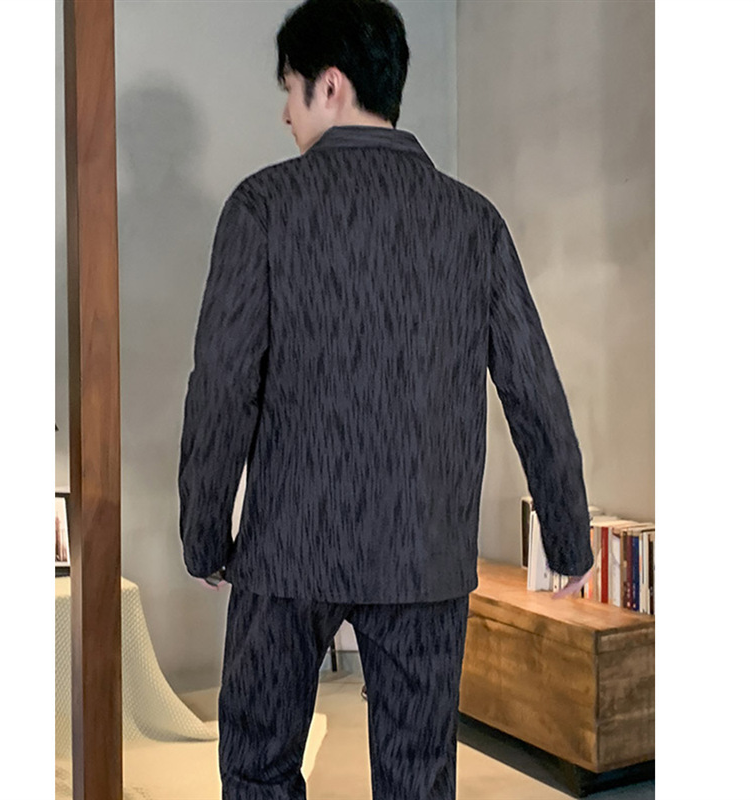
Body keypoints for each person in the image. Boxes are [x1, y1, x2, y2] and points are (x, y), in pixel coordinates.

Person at [178, 0, 593, 797]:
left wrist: (204, 530)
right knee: (418, 778)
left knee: (258, 765)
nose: (286, 112)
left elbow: (222, 383)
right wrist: (567, 537)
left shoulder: (262, 206)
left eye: (291, 88)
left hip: (287, 548)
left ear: (330, 86)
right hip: (423, 552)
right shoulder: (472, 222)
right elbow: (533, 388)